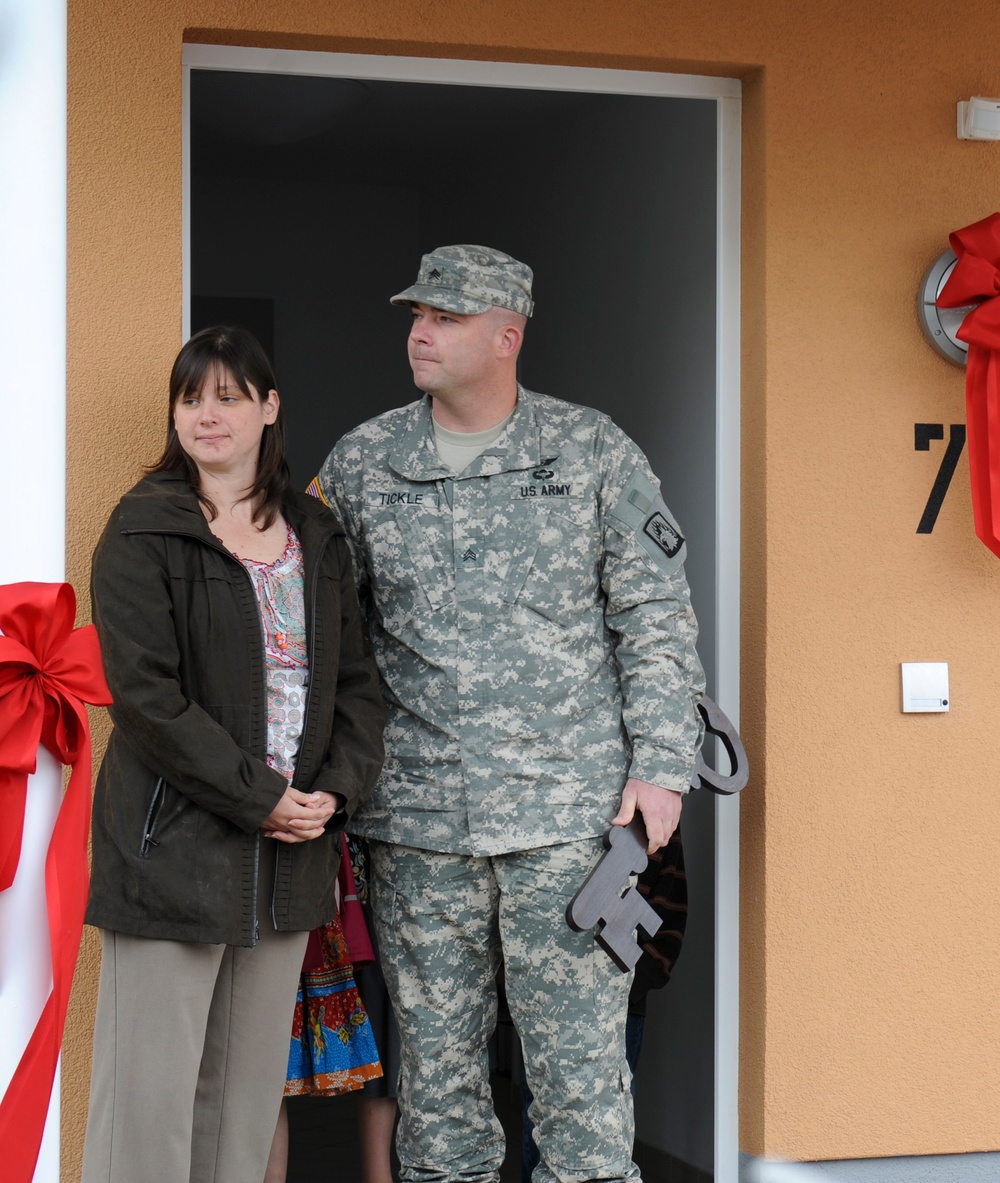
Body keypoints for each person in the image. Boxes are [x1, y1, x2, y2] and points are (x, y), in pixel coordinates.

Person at [312, 244, 706, 1183]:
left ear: (507, 334)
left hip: (568, 824)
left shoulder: (593, 450)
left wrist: (662, 764)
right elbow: (327, 636)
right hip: (416, 825)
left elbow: (654, 614)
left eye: (446, 317)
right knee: (440, 1089)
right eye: (417, 314)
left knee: (578, 1084)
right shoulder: (365, 461)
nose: (421, 331)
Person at [81, 325, 385, 1183]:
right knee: (149, 1109)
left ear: (269, 408)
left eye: (228, 395)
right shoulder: (145, 529)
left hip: (290, 862)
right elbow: (147, 698)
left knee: (241, 1110)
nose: (207, 414)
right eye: (190, 397)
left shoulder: (315, 537)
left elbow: (359, 687)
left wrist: (333, 793)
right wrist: (259, 795)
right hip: (172, 856)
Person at [519, 827, 689, 1182]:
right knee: (539, 1125)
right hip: (541, 1008)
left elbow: (670, 915)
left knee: (608, 1124)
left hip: (622, 1009)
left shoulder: (654, 819)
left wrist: (631, 986)